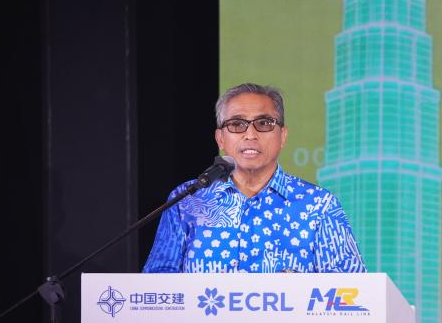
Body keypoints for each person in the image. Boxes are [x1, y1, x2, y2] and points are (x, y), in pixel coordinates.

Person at [143, 83, 366, 273]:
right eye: (236, 124)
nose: (250, 135)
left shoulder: (319, 205)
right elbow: (157, 283)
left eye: (264, 123)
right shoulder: (188, 200)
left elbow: (354, 289)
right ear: (220, 138)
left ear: (283, 136)